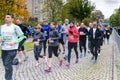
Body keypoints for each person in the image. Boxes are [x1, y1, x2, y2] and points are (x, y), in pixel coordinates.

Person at [0, 13, 24, 80]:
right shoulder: (2, 27)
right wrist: (0, 39)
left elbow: (22, 37)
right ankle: (15, 61)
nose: (6, 18)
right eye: (5, 17)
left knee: (7, 64)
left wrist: (15, 42)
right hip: (4, 49)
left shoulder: (15, 27)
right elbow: (0, 35)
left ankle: (9, 79)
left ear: (12, 19)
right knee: (5, 64)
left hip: (12, 49)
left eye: (8, 17)